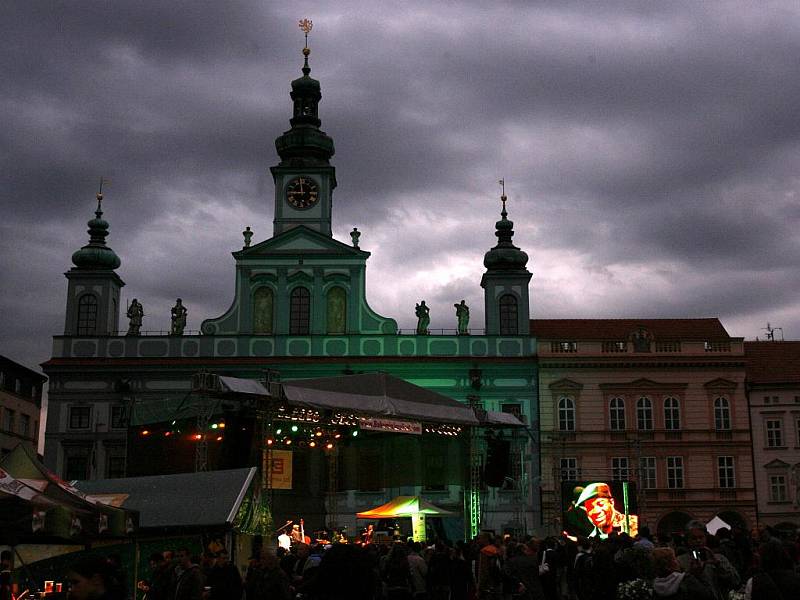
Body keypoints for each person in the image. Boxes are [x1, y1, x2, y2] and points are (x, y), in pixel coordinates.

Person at [676, 521, 739, 600]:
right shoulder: (680, 561)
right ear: (687, 540)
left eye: (701, 537)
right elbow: (679, 589)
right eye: (694, 538)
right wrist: (691, 574)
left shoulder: (719, 558)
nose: (698, 541)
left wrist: (718, 565)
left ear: (706, 537)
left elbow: (735, 581)